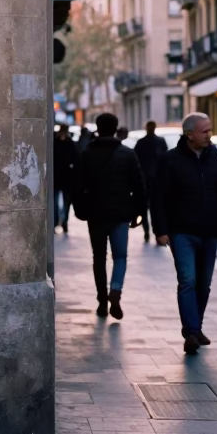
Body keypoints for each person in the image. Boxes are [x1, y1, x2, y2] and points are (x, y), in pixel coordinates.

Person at [151, 112, 217, 355]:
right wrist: (161, 230)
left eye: (210, 130)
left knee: (204, 285)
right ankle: (191, 331)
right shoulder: (170, 160)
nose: (209, 135)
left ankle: (196, 327)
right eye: (204, 131)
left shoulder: (214, 155)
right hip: (182, 231)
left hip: (210, 231)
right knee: (188, 280)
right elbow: (158, 197)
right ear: (189, 134)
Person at [74, 113, 146, 319]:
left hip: (96, 213)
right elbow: (139, 185)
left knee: (99, 258)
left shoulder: (87, 153)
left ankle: (102, 301)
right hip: (121, 213)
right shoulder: (127, 154)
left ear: (98, 128)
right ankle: (116, 290)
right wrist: (139, 212)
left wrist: (80, 210)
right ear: (115, 129)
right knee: (120, 256)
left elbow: (77, 185)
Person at [133, 120, 168, 242]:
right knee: (152, 209)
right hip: (150, 181)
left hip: (150, 181)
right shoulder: (156, 142)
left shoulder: (144, 142)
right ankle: (151, 232)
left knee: (150, 208)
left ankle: (150, 231)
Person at [53, 124, 78, 233]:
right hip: (63, 177)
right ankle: (60, 222)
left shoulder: (57, 142)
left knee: (60, 202)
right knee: (62, 203)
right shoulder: (70, 143)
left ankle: (61, 222)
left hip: (61, 177)